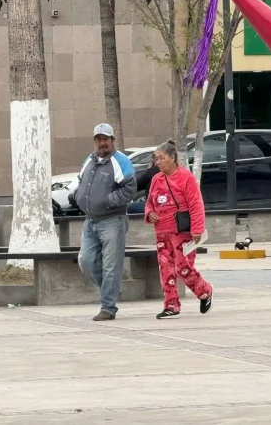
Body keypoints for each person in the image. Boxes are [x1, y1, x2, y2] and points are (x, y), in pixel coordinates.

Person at [73, 123, 137, 321]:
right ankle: (111, 291)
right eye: (99, 139)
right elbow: (80, 181)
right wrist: (77, 196)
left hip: (112, 221)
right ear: (95, 141)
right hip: (90, 221)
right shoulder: (89, 159)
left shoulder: (121, 161)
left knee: (111, 266)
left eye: (106, 139)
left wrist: (108, 201)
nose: (103, 143)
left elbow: (129, 189)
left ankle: (108, 307)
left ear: (112, 140)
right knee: (86, 261)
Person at [145, 140, 213, 319]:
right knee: (165, 269)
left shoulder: (186, 178)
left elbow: (196, 204)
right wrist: (150, 213)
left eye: (162, 158)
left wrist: (197, 229)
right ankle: (171, 305)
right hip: (162, 232)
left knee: (182, 267)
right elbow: (149, 202)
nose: (158, 162)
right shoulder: (156, 179)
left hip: (182, 232)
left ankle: (205, 291)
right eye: (156, 158)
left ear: (173, 158)